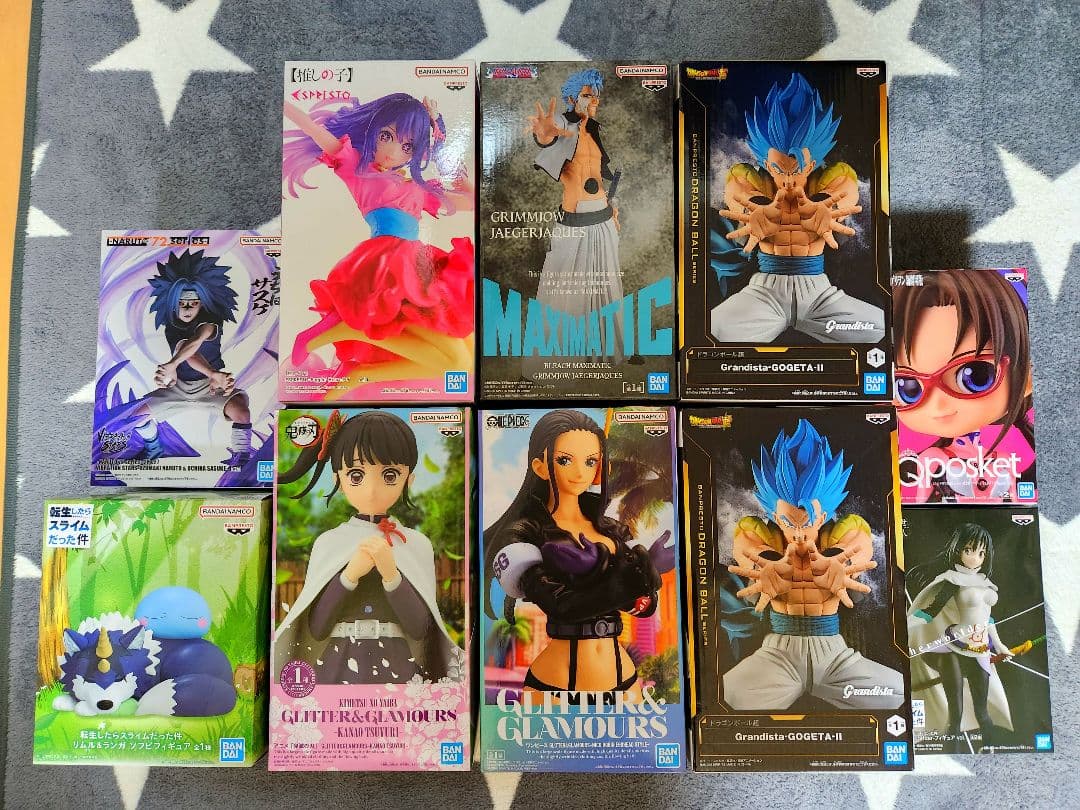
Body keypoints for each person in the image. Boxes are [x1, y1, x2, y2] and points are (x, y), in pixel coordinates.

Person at [283, 93, 474, 392]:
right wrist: (281, 102)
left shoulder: (418, 188)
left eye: (407, 146)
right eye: (387, 136)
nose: (393, 151)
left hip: (417, 264)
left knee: (464, 354)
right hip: (386, 259)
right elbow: (315, 131)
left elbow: (474, 203)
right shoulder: (357, 167)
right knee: (457, 359)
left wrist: (463, 180)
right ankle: (332, 333)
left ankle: (360, 372)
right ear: (373, 131)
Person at [484, 409, 667, 700]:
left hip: (625, 681)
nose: (580, 472)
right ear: (540, 466)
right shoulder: (524, 532)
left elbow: (645, 607)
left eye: (590, 461)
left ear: (601, 467)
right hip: (555, 688)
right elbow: (561, 606)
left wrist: (642, 582)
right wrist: (621, 582)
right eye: (565, 460)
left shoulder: (613, 530)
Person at [723, 419, 903, 710]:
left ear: (824, 515)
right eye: (787, 520)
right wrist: (764, 569)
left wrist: (842, 564)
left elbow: (858, 542)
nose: (798, 531)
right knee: (729, 694)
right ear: (774, 514)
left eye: (807, 521)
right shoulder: (759, 532)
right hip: (778, 655)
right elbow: (748, 546)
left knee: (896, 693)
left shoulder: (843, 530)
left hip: (835, 655)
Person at [273, 410, 462, 684]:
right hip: (338, 665)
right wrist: (349, 575)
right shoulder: (329, 542)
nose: (372, 490)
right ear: (338, 479)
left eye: (390, 475)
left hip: (398, 668)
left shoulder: (415, 543)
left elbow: (420, 629)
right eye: (356, 475)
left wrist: (391, 575)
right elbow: (317, 627)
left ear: (409, 480)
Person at [709, 72, 884, 344]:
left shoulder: (831, 178)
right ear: (766, 163)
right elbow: (738, 195)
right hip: (764, 292)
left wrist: (828, 210)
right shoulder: (748, 179)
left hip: (820, 294)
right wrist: (752, 215)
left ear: (811, 164)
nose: (788, 179)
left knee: (878, 328)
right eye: (779, 169)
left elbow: (846, 188)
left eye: (797, 169)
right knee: (715, 327)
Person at [893, 268, 1035, 502]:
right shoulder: (932, 459)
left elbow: (1016, 503)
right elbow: (921, 507)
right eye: (907, 387)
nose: (938, 406)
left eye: (976, 377)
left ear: (1027, 377)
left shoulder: (1004, 460)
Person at [524, 68, 625, 369]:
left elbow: (600, 177)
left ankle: (607, 354)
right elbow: (547, 137)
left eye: (596, 96)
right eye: (587, 95)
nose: (594, 100)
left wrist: (613, 208)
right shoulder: (562, 127)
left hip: (604, 217)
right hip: (574, 220)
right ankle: (552, 362)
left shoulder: (593, 132)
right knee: (563, 291)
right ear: (571, 99)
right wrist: (543, 134)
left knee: (607, 286)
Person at [907, 522, 1022, 748]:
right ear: (958, 550)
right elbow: (932, 610)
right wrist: (909, 623)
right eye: (969, 550)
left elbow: (987, 620)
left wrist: (1000, 646)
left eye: (981, 553)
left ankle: (990, 750)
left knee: (983, 712)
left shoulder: (985, 583)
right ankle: (952, 751)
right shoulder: (953, 580)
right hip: (953, 647)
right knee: (955, 715)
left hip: (979, 650)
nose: (975, 558)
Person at [135, 248, 251, 464]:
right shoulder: (172, 327)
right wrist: (173, 368)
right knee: (135, 417)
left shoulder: (210, 323)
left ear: (202, 303)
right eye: (182, 303)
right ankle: (154, 447)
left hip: (211, 385)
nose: (187, 308)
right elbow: (186, 351)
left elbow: (196, 343)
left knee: (242, 414)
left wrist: (210, 374)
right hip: (178, 386)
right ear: (173, 303)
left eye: (193, 303)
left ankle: (242, 458)